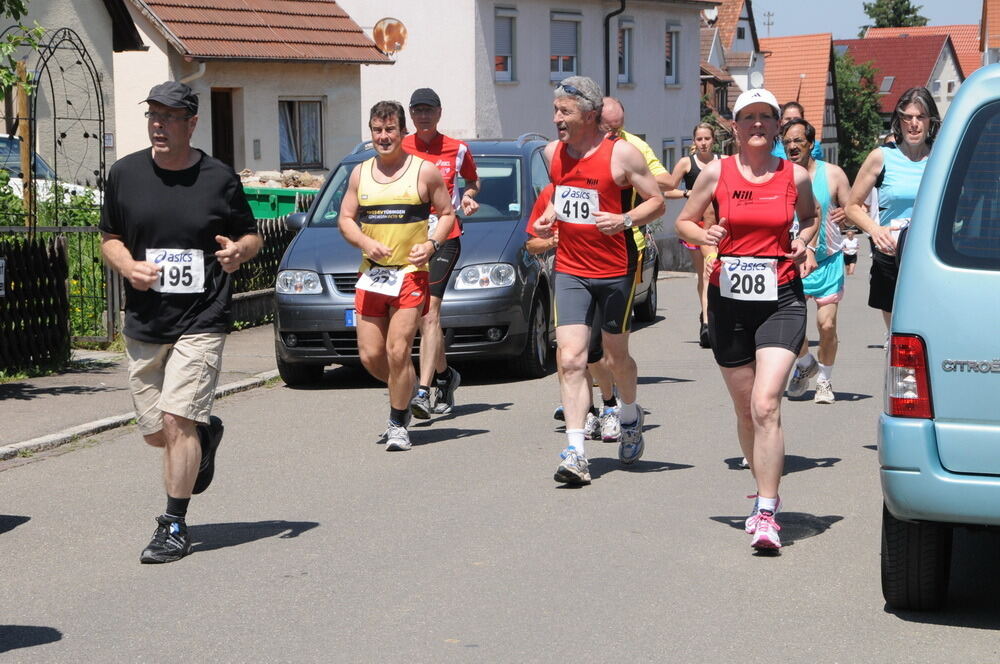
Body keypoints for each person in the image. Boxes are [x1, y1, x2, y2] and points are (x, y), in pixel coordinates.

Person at [100, 81, 262, 564]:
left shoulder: (219, 179)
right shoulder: (125, 174)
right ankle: (206, 436)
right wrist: (128, 267)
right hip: (146, 321)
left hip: (202, 316)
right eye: (153, 114)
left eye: (169, 117)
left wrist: (238, 252)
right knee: (157, 431)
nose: (158, 124)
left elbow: (249, 235)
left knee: (177, 419)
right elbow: (109, 237)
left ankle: (173, 524)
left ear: (192, 124)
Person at [675, 88, 818, 550]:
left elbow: (810, 219)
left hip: (782, 298)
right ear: (733, 127)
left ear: (778, 126)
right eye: (748, 117)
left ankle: (766, 511)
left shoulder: (795, 175)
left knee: (765, 403)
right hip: (729, 301)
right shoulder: (717, 171)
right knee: (744, 410)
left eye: (766, 117)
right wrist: (706, 231)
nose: (757, 125)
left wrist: (805, 242)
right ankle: (760, 489)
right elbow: (684, 222)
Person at [535, 76, 664, 485]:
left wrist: (624, 219)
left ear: (590, 115)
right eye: (555, 110)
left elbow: (657, 201)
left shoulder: (621, 155)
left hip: (615, 270)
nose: (556, 118)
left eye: (565, 112)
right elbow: (560, 189)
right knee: (571, 357)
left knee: (614, 358)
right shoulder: (552, 152)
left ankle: (629, 413)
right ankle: (575, 450)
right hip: (571, 267)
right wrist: (551, 213)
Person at [338, 100, 456, 451]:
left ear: (403, 132)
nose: (384, 136)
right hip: (372, 276)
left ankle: (397, 421)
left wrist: (432, 244)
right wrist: (364, 241)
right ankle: (404, 389)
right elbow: (345, 219)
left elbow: (448, 214)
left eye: (390, 130)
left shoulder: (424, 171)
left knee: (398, 348)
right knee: (371, 356)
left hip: (410, 274)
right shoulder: (360, 173)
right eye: (377, 130)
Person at [403, 88, 480, 420]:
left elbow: (473, 182)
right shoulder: (399, 148)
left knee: (430, 312)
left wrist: (469, 198)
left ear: (439, 113)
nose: (423, 116)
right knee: (416, 315)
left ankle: (423, 390)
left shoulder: (458, 149)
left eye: (428, 110)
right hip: (406, 240)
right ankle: (446, 375)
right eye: (417, 110)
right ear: (410, 114)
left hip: (445, 236)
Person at [845, 87, 939, 332]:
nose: (914, 124)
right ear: (899, 120)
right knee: (898, 331)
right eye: (908, 117)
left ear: (931, 121)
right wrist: (875, 231)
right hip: (891, 254)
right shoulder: (881, 157)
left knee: (928, 327)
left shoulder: (942, 155)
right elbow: (852, 207)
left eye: (921, 117)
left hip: (930, 255)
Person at [780, 119, 852, 404]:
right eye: (787, 142)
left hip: (827, 260)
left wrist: (846, 215)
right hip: (791, 261)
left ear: (811, 144)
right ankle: (804, 362)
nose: (793, 146)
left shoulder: (832, 174)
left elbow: (853, 207)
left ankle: (824, 380)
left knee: (827, 326)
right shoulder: (779, 175)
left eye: (798, 141)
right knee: (792, 327)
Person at [665, 122, 721, 348]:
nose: (703, 143)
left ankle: (709, 320)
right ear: (694, 142)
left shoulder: (723, 162)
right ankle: (707, 318)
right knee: (704, 276)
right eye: (699, 139)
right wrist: (687, 193)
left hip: (718, 227)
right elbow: (667, 188)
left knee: (712, 274)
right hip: (695, 227)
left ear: (713, 140)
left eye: (707, 138)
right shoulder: (686, 163)